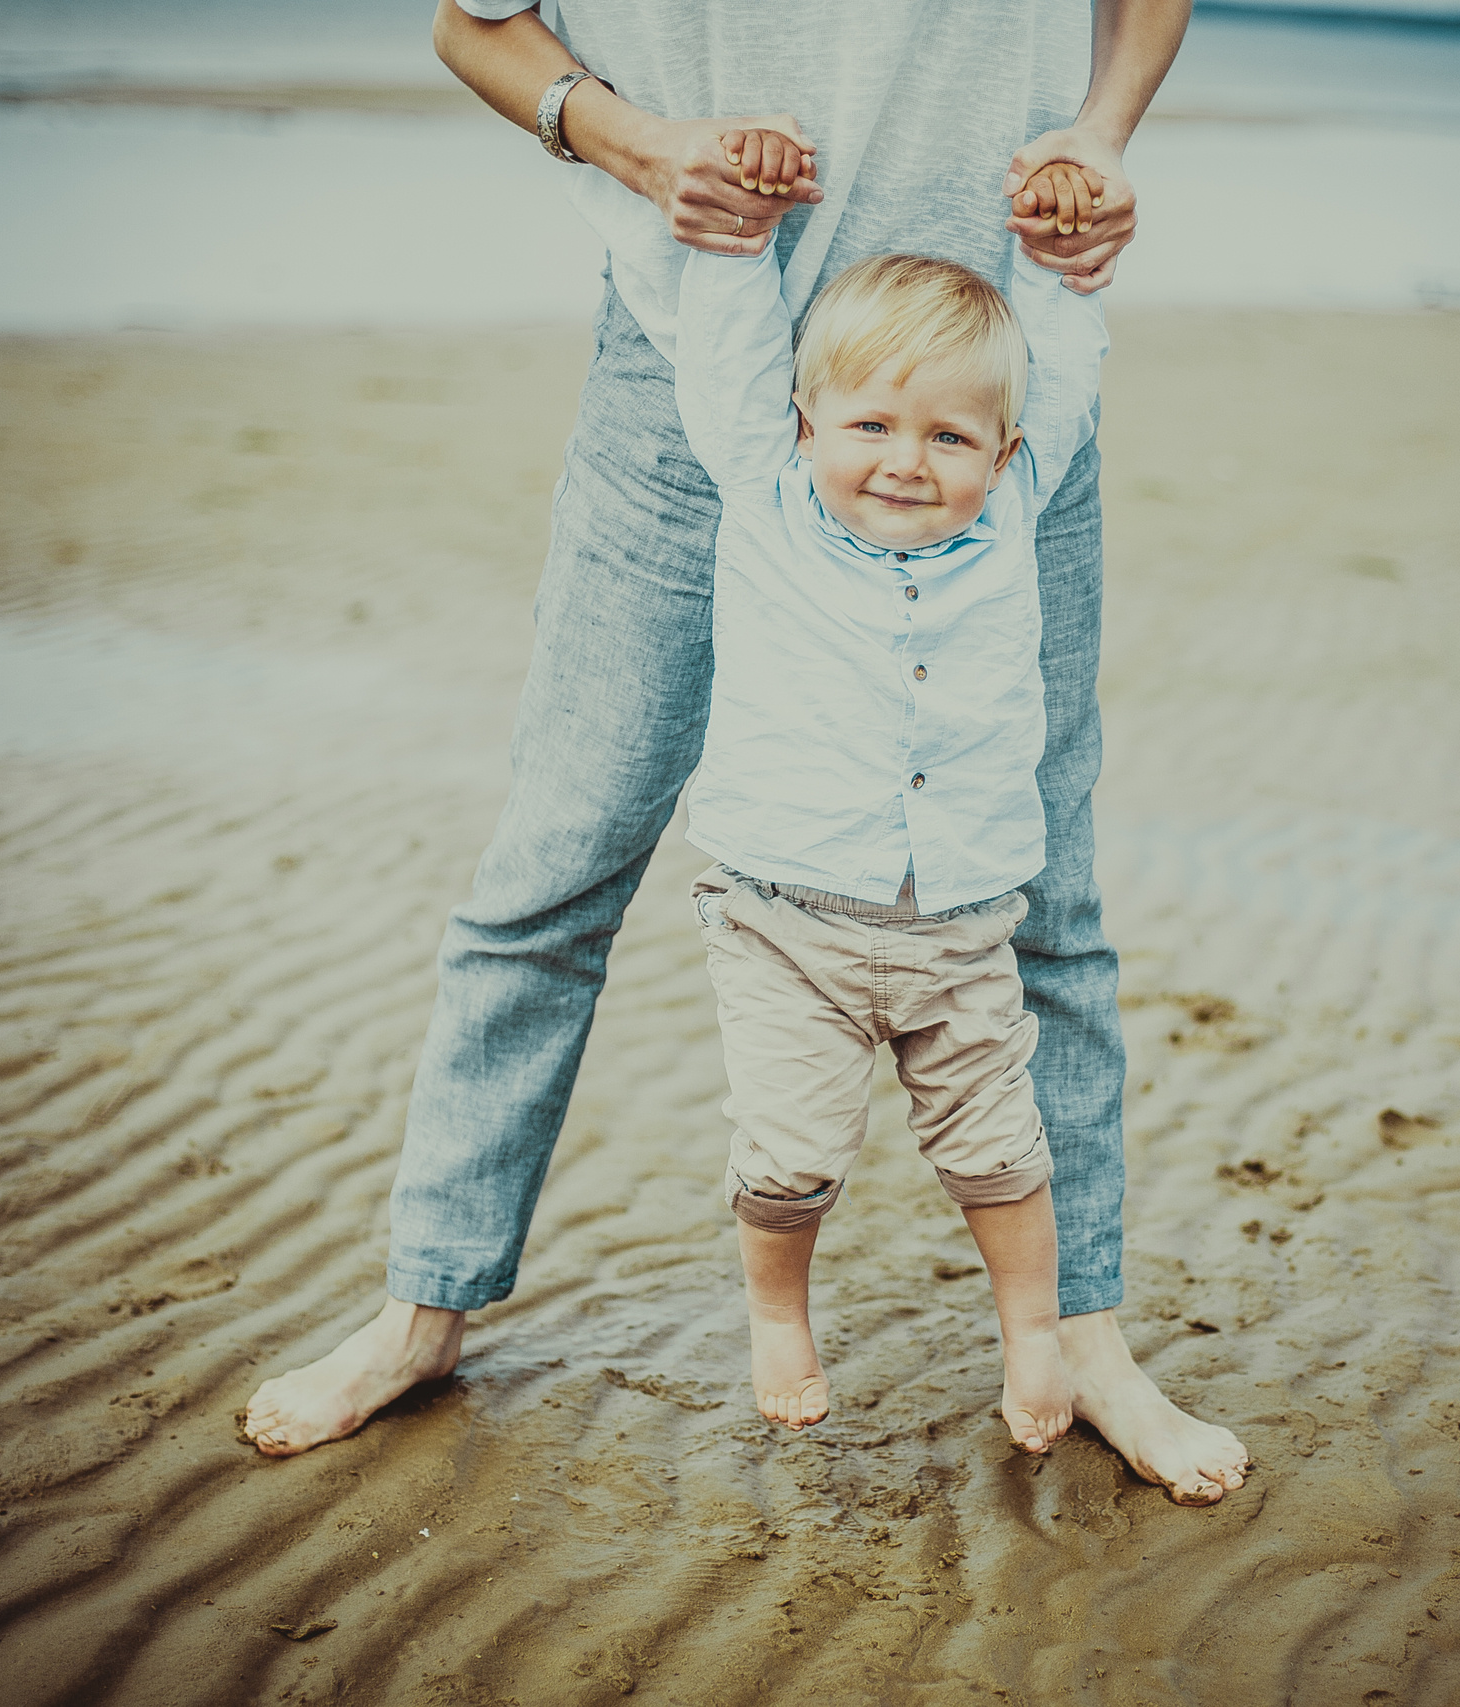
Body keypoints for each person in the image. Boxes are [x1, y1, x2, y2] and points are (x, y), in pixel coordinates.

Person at [244, 0, 1252, 1506]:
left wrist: (1100, 135)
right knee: (556, 860)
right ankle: (424, 1306)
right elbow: (477, 22)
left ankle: (1082, 1337)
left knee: (1041, 880)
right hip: (689, 337)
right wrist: (638, 145)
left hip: (990, 361)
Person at [679, 161, 1105, 1448]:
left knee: (998, 1152)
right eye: (870, 425)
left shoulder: (1018, 516)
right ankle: (776, 1317)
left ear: (1005, 454)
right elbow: (726, 354)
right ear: (805, 426)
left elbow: (1066, 358)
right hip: (783, 920)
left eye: (949, 437)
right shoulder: (766, 504)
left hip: (960, 926)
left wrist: (1058, 246)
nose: (906, 462)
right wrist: (736, 243)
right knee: (791, 1157)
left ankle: (1033, 1335)